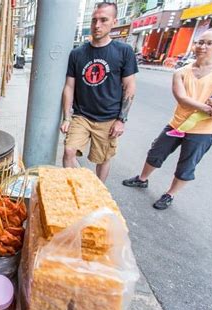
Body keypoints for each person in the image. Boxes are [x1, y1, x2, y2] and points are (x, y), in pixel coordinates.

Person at [122, 29, 212, 210]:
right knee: (156, 152)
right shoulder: (181, 71)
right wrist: (210, 108)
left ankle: (170, 194)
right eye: (200, 42)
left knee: (186, 165)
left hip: (204, 130)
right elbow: (182, 98)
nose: (202, 46)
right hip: (178, 123)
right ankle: (142, 179)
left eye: (208, 43)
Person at [60, 2, 138, 182]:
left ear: (114, 22)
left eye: (104, 20)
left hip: (109, 118)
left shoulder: (124, 51)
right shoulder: (77, 53)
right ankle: (75, 187)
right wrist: (66, 117)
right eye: (94, 20)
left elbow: (130, 87)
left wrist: (121, 120)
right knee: (69, 150)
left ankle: (99, 192)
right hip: (82, 116)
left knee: (103, 158)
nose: (97, 25)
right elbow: (69, 86)